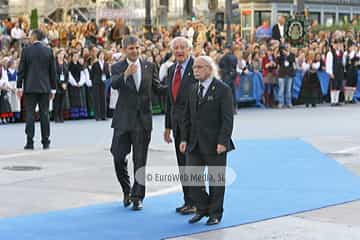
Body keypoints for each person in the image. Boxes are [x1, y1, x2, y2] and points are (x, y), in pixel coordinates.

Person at [110, 36, 166, 211]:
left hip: (143, 121)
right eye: (131, 48)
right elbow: (114, 84)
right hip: (123, 120)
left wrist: (174, 89)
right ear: (124, 49)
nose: (134, 51)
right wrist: (126, 74)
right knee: (118, 156)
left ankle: (137, 197)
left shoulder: (149, 66)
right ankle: (127, 189)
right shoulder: (117, 67)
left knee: (140, 160)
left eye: (137, 48)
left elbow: (157, 88)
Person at [179, 56, 235, 225]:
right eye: (194, 67)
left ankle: (215, 213)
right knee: (192, 178)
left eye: (199, 67)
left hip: (215, 143)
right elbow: (186, 116)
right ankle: (202, 208)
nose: (195, 70)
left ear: (209, 69)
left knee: (216, 181)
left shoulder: (222, 89)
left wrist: (223, 141)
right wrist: (183, 138)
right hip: (194, 142)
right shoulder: (192, 88)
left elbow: (227, 119)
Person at [164, 36, 197, 215]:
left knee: (193, 165)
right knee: (182, 165)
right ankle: (188, 200)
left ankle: (197, 201)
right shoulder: (171, 70)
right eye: (176, 48)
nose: (179, 51)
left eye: (182, 47)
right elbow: (170, 102)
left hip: (193, 126)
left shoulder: (197, 67)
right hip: (177, 127)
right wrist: (167, 127)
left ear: (189, 49)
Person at [17, 29, 57, 149]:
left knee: (30, 115)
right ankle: (46, 142)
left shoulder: (26, 51)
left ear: (34, 37)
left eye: (30, 36)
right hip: (45, 88)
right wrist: (53, 89)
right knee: (45, 114)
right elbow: (53, 72)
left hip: (30, 88)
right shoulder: (49, 51)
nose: (29, 38)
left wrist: (19, 86)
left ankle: (30, 142)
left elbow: (21, 71)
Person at [90, 50, 110, 121]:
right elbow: (91, 74)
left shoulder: (106, 64)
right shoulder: (95, 64)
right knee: (97, 99)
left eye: (103, 55)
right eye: (100, 55)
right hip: (96, 82)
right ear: (98, 56)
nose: (102, 56)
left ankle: (103, 115)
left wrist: (106, 77)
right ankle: (97, 116)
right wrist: (93, 81)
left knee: (103, 99)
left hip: (103, 83)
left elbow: (107, 74)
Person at [218, 44, 238, 113]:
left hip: (226, 76)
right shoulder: (234, 57)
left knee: (226, 93)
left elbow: (220, 64)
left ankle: (227, 108)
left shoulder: (225, 57)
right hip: (232, 75)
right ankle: (234, 108)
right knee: (233, 92)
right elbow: (235, 66)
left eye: (225, 49)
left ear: (227, 49)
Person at [53, 49, 69, 123]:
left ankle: (61, 116)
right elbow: (55, 75)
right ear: (57, 54)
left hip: (64, 84)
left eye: (63, 54)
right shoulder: (54, 63)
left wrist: (65, 83)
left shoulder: (65, 63)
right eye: (60, 54)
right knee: (57, 101)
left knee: (62, 101)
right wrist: (60, 83)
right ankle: (56, 116)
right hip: (57, 84)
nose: (62, 55)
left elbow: (67, 74)